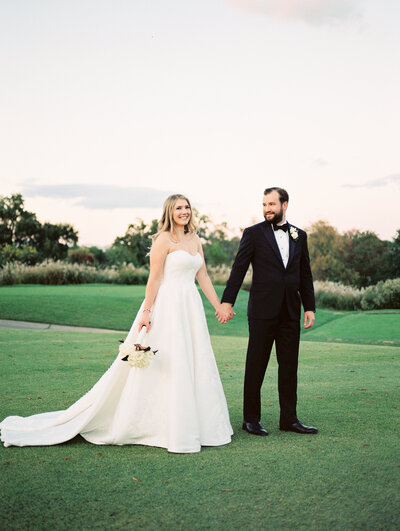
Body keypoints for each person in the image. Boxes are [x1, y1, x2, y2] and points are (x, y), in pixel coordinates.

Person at [0, 194, 233, 453]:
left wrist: (218, 306)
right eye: (179, 208)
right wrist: (146, 311)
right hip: (167, 307)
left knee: (194, 360)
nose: (184, 211)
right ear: (169, 211)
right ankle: (163, 425)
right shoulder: (163, 240)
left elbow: (202, 276)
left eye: (187, 207)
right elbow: (154, 280)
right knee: (169, 361)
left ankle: (197, 425)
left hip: (190, 307)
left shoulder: (195, 239)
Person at [216, 187, 318, 436]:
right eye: (264, 204)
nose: (267, 209)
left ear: (285, 205)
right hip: (262, 310)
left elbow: (305, 274)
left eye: (272, 204)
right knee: (256, 365)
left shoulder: (299, 235)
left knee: (289, 367)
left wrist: (310, 307)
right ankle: (251, 419)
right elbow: (238, 269)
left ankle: (289, 419)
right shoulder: (253, 234)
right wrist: (227, 301)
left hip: (291, 312)